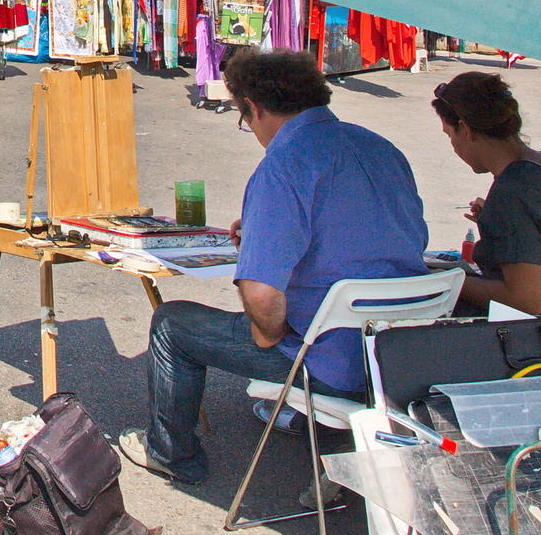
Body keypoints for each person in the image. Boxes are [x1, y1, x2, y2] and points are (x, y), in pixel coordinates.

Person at [119, 50, 427, 484]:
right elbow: (385, 236)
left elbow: (263, 302)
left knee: (172, 325)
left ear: (256, 109)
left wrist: (272, 333)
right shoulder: (381, 149)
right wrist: (267, 235)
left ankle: (170, 453)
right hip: (399, 352)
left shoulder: (284, 165)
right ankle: (309, 420)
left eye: (245, 120)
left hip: (330, 361)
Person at [434, 72, 541, 316]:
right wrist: (496, 225)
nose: (453, 147)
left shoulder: (511, 192)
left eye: (450, 135)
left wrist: (447, 281)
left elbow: (527, 300)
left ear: (466, 129)